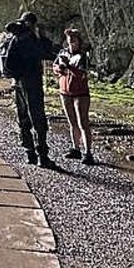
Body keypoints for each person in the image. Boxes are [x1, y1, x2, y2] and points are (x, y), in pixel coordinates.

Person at [0, 11, 57, 167]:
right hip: (31, 81)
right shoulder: (28, 39)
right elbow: (46, 52)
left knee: (23, 117)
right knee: (37, 117)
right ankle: (42, 156)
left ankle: (29, 153)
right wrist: (42, 36)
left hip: (18, 81)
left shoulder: (15, 38)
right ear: (33, 24)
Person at [55, 24, 96, 164]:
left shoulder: (83, 56)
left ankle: (88, 152)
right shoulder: (63, 52)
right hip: (65, 91)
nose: (71, 41)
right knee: (71, 121)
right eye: (69, 39)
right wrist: (60, 69)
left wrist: (69, 67)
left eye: (74, 39)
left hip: (80, 92)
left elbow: (83, 74)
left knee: (83, 121)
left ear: (79, 41)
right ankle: (76, 148)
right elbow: (55, 67)